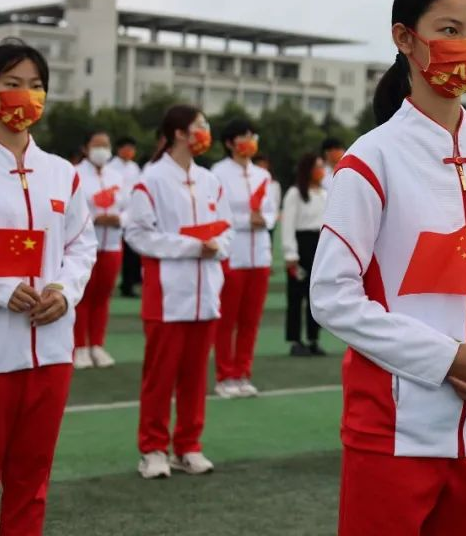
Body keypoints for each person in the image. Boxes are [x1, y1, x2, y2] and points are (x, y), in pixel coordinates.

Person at [309, 0, 466, 536]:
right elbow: (333, 295)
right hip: (395, 431)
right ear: (404, 38)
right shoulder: (370, 161)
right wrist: (445, 358)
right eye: (449, 30)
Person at [0, 40, 97, 535]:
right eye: (12, 84)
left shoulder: (62, 174)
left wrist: (64, 291)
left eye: (35, 86)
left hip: (50, 350)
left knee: (32, 484)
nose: (24, 96)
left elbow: (82, 244)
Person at [125, 105, 233, 480]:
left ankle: (188, 445)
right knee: (160, 377)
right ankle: (153, 448)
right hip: (168, 296)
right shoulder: (151, 179)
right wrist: (191, 247)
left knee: (195, 377)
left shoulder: (210, 180)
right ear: (179, 133)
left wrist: (218, 245)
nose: (206, 132)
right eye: (199, 126)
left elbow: (228, 228)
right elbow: (137, 234)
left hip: (207, 295)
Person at [211, 119, 279, 398]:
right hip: (232, 255)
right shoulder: (217, 174)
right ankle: (224, 376)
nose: (249, 141)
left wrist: (266, 221)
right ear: (229, 143)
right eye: (243, 137)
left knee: (251, 321)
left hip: (260, 256)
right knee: (227, 320)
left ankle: (243, 373)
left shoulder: (262, 176)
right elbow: (216, 214)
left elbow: (271, 211)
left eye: (252, 136)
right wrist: (244, 221)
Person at [73, 129, 126, 369]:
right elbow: (71, 208)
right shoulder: (75, 174)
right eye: (97, 145)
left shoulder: (118, 176)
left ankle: (97, 345)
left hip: (112, 244)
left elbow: (131, 207)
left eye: (106, 145)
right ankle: (79, 347)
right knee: (83, 296)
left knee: (103, 297)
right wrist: (94, 219)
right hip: (84, 245)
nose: (102, 150)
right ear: (85, 148)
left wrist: (120, 219)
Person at [281, 153, 328, 357]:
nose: (321, 171)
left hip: (319, 245)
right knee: (296, 295)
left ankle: (313, 338)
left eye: (321, 167)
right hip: (301, 245)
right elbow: (288, 225)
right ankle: (295, 340)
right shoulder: (295, 193)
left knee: (315, 295)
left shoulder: (324, 193)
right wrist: (290, 253)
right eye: (317, 167)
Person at [111, 136, 143, 299]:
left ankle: (128, 284)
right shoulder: (111, 167)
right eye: (127, 148)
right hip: (114, 213)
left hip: (130, 213)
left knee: (131, 252)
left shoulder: (134, 168)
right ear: (119, 149)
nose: (130, 151)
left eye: (132, 149)